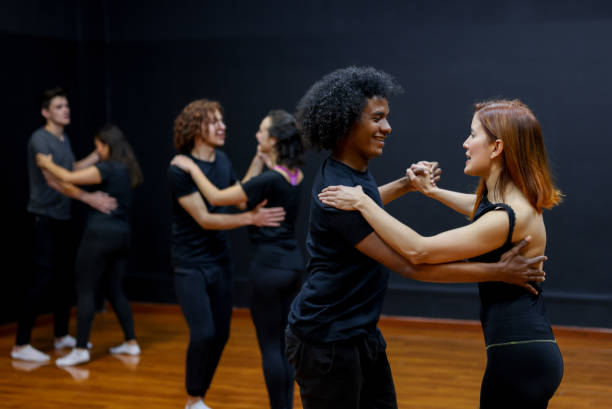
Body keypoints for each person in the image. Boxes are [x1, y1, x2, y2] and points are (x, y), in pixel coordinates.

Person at [286, 67, 547, 409]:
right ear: (347, 122)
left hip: (359, 333)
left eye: (387, 118)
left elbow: (367, 203)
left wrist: (407, 186)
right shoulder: (339, 189)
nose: (388, 128)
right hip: (327, 338)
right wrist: (497, 271)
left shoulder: (352, 180)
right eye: (378, 118)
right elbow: (412, 260)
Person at [171, 109, 304, 409]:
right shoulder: (294, 174)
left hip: (268, 269)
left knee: (270, 346)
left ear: (273, 139)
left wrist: (192, 170)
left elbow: (219, 199)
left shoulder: (267, 178)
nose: (255, 135)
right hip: (293, 266)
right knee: (283, 346)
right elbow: (243, 196)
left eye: (261, 131)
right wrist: (258, 165)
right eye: (214, 120)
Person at [12, 87, 117, 363]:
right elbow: (54, 181)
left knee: (64, 279)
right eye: (59, 106)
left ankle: (60, 335)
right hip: (43, 218)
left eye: (67, 105)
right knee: (40, 280)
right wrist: (90, 198)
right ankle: (21, 344)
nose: (66, 110)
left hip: (63, 218)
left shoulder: (63, 139)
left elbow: (72, 170)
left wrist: (99, 153)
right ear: (46, 112)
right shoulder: (40, 139)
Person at [36, 124, 144, 366]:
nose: (96, 151)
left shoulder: (107, 168)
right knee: (115, 290)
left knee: (86, 289)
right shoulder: (127, 168)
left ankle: (81, 348)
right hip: (122, 236)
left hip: (100, 235)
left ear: (106, 147)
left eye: (98, 147)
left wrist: (46, 162)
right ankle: (131, 342)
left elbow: (68, 177)